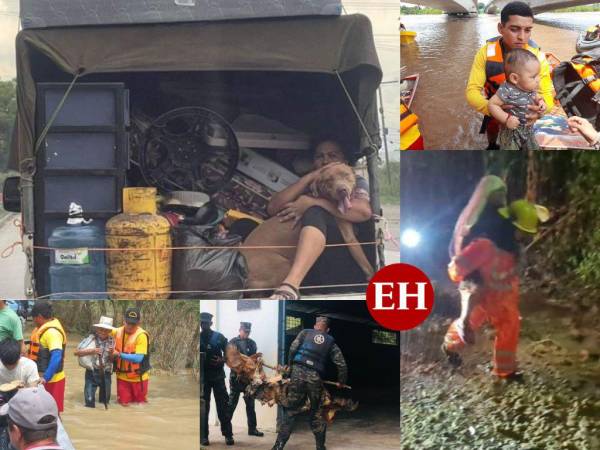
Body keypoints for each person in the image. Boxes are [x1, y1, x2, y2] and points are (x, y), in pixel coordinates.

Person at [443, 200, 543, 380]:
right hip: (480, 297)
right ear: (510, 227)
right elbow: (457, 270)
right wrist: (468, 281)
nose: (525, 237)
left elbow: (509, 276)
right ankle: (449, 347)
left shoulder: (513, 251)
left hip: (503, 299)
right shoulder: (484, 246)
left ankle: (505, 371)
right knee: (467, 325)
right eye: (523, 232)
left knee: (510, 325)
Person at [267, 139, 372, 299]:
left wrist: (314, 202)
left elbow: (364, 212)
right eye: (319, 157)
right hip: (310, 268)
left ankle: (290, 285)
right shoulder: (315, 183)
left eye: (332, 155)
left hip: (340, 264)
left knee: (314, 211)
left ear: (344, 161)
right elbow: (272, 208)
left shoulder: (353, 180)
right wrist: (310, 177)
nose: (326, 161)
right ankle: (291, 286)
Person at [465, 1, 553, 149]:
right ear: (501, 28)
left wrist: (541, 112)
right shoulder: (485, 53)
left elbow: (547, 95)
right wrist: (494, 110)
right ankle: (492, 145)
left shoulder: (537, 57)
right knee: (492, 129)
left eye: (528, 30)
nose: (522, 37)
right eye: (514, 29)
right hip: (493, 105)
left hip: (523, 112)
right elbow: (472, 92)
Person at [272, 316, 347, 450]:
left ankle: (278, 446)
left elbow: (293, 349)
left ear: (315, 326)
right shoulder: (331, 342)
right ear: (327, 329)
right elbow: (341, 364)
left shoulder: (305, 333)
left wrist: (290, 367)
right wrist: (341, 381)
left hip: (297, 374)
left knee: (291, 411)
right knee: (316, 413)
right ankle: (320, 447)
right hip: (315, 378)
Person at [488, 48, 542, 150]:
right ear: (515, 78)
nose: (538, 79)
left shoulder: (529, 87)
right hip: (511, 132)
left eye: (538, 75)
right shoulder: (507, 89)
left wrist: (541, 102)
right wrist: (506, 119)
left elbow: (536, 95)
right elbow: (492, 104)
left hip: (528, 129)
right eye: (534, 77)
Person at [200, 312, 234, 447]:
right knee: (203, 408)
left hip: (218, 377)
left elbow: (231, 354)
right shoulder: (197, 338)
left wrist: (223, 360)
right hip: (203, 379)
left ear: (211, 323)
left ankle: (228, 435)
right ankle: (203, 436)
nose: (204, 325)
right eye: (202, 323)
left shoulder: (219, 338)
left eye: (206, 323)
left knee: (223, 406)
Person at [27, 301, 67, 413]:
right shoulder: (41, 329)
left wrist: (46, 378)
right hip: (40, 379)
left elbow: (57, 356)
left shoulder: (52, 332)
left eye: (34, 317)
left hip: (52, 380)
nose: (33, 321)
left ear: (39, 317)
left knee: (53, 413)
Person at [228, 322, 263, 438]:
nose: (246, 334)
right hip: (236, 379)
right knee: (232, 403)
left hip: (248, 379)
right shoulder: (233, 342)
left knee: (250, 404)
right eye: (245, 331)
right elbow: (230, 360)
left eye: (248, 332)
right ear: (240, 330)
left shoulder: (252, 343)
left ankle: (252, 429)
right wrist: (240, 369)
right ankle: (227, 430)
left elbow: (253, 361)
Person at [73, 316, 115, 408]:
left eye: (106, 330)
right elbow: (76, 352)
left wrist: (112, 353)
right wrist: (92, 351)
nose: (103, 332)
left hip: (106, 373)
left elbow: (112, 361)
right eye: (101, 329)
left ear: (110, 331)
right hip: (91, 373)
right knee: (89, 403)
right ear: (97, 329)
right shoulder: (90, 339)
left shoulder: (112, 341)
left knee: (105, 403)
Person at [112, 308, 150, 406]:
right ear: (123, 321)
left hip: (139, 378)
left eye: (133, 324)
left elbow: (138, 358)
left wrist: (119, 354)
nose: (130, 326)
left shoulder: (141, 336)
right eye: (128, 323)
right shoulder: (117, 331)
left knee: (141, 406)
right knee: (123, 406)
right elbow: (101, 330)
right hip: (122, 378)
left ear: (138, 323)